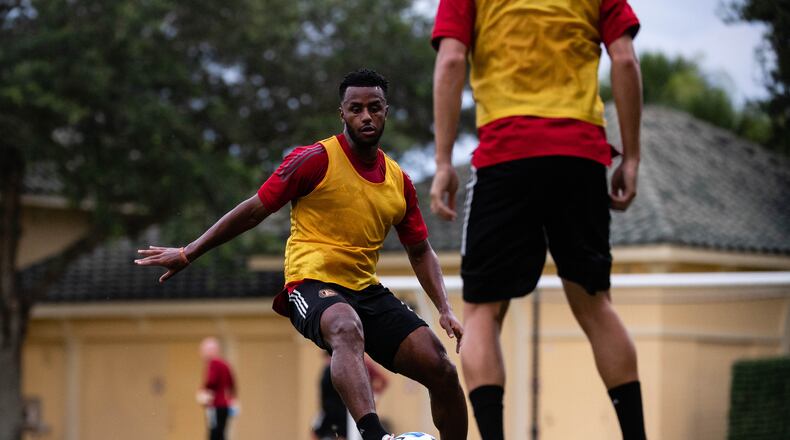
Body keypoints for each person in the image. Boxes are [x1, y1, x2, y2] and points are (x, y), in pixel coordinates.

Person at [135, 69, 468, 440]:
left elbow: (420, 249)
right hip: (309, 284)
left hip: (365, 290)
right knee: (345, 326)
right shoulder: (314, 160)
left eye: (374, 108)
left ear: (386, 111)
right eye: (356, 109)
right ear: (342, 113)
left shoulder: (399, 182)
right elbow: (254, 209)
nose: (366, 116)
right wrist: (189, 251)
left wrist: (444, 308)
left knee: (442, 368)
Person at [429, 1, 646, 439]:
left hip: (506, 153)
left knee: (481, 312)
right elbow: (624, 58)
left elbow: (451, 59)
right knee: (595, 304)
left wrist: (443, 161)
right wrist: (633, 156)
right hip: (581, 156)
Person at [312, 353, 389, 440]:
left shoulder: (360, 363)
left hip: (348, 407)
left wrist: (375, 395)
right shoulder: (331, 369)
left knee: (352, 432)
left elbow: (383, 380)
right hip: (337, 407)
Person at [197, 337, 237, 440]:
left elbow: (211, 381)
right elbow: (232, 384)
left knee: (214, 433)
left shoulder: (213, 363)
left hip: (215, 405)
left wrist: (202, 391)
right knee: (221, 432)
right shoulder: (225, 364)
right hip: (225, 406)